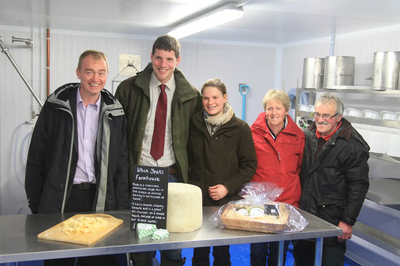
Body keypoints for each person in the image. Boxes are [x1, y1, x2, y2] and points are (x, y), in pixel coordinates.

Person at [25, 50, 129, 266]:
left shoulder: (115, 113)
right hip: (62, 197)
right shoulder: (56, 109)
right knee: (59, 258)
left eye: (101, 73)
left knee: (100, 260)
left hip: (100, 198)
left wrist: (121, 206)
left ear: (107, 74)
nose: (95, 78)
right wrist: (37, 205)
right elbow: (37, 155)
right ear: (78, 73)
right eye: (89, 72)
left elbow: (121, 163)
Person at [115, 35, 202, 266]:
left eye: (169, 59)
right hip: (141, 173)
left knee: (172, 240)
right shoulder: (128, 89)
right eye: (159, 58)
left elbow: (198, 137)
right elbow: (117, 134)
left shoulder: (191, 95)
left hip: (172, 174)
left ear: (178, 60)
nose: (163, 64)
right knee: (142, 242)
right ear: (151, 57)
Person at [293, 93, 370, 266]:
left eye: (326, 115)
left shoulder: (352, 146)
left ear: (339, 117)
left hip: (332, 220)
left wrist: (347, 221)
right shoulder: (307, 136)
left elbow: (358, 186)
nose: (320, 120)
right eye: (317, 114)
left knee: (330, 262)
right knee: (302, 260)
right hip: (305, 216)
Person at [188, 78, 257, 266]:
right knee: (199, 250)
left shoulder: (240, 128)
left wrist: (227, 187)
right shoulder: (194, 124)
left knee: (222, 251)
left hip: (225, 201)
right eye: (206, 98)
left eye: (215, 97)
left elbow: (249, 165)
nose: (210, 103)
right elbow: (187, 159)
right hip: (199, 200)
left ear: (225, 98)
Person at [249, 89, 305, 266]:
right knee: (258, 252)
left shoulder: (299, 136)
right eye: (270, 108)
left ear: (286, 110)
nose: (274, 113)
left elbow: (300, 167)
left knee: (279, 253)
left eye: (278, 108)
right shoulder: (252, 133)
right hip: (261, 202)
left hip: (287, 203)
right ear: (265, 109)